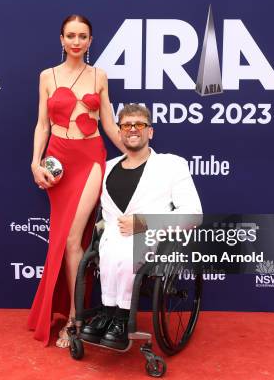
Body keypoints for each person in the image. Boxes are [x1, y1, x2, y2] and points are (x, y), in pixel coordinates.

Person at [27, 15, 125, 347]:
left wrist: (137, 152)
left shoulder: (99, 76)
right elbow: (42, 124)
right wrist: (34, 162)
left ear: (91, 40)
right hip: (58, 159)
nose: (76, 41)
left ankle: (74, 319)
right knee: (63, 241)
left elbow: (109, 124)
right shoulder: (47, 76)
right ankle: (68, 311)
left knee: (73, 239)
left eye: (83, 36)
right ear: (61, 39)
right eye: (71, 35)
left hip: (90, 157)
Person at [80, 103, 202, 349]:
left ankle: (122, 318)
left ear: (150, 132)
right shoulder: (107, 167)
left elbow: (194, 215)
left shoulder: (171, 165)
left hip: (153, 237)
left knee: (127, 253)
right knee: (112, 250)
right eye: (126, 125)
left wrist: (144, 223)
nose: (132, 129)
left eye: (139, 124)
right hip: (112, 237)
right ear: (120, 131)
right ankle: (107, 313)